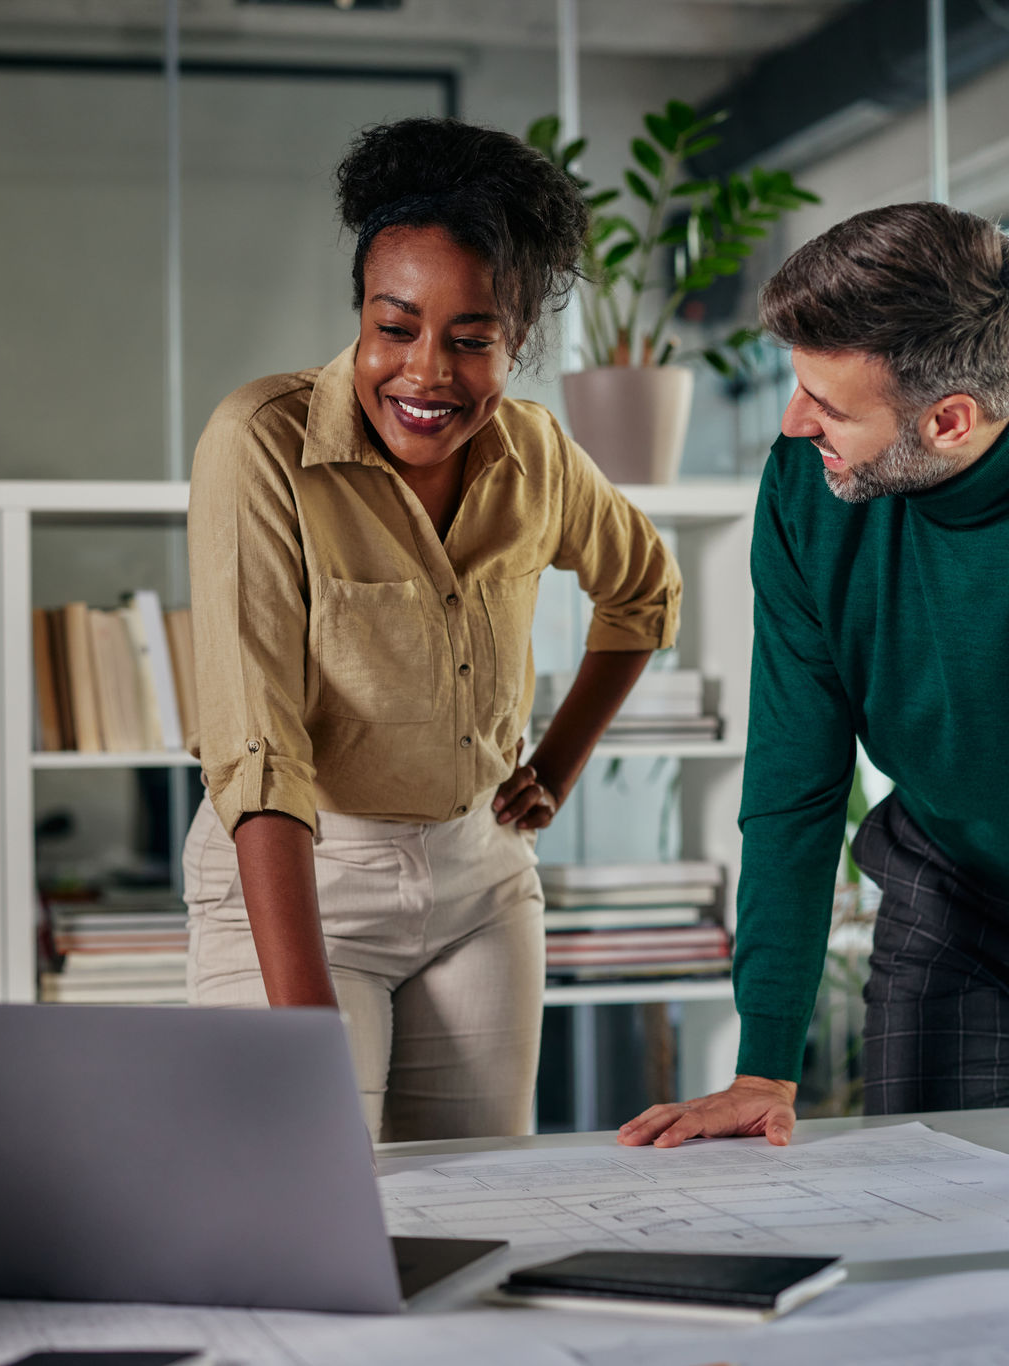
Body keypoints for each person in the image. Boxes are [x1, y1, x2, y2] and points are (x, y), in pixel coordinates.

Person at [619, 203, 1009, 1204]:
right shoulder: (806, 489)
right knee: (908, 1208)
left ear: (949, 418)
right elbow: (792, 784)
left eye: (825, 404)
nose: (793, 425)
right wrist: (762, 1067)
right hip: (948, 893)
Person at [183, 117, 680, 1143]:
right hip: (302, 872)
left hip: (480, 880)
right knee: (302, 1196)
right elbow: (256, 750)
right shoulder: (260, 444)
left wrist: (557, 761)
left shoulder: (536, 452)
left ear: (516, 343)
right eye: (394, 326)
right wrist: (300, 1023)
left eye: (471, 339)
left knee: (476, 1200)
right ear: (359, 315)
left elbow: (643, 590)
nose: (424, 373)